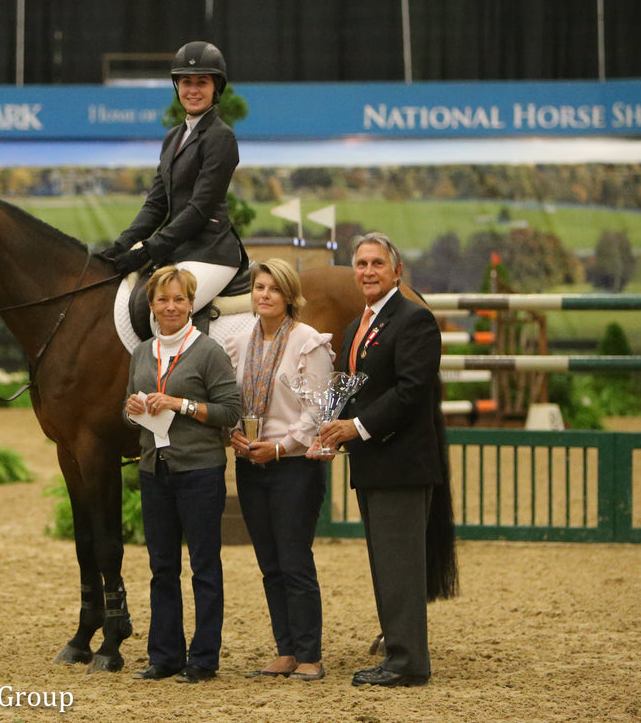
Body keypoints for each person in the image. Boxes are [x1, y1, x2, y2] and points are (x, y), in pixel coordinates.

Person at [309, 232, 444, 687]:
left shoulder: (415, 320)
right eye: (362, 264)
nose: (368, 272)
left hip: (402, 463)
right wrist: (328, 431)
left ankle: (408, 663)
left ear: (396, 271)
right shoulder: (357, 327)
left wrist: (357, 428)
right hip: (372, 463)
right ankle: (397, 653)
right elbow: (350, 391)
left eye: (377, 264)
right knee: (386, 563)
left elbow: (410, 391)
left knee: (401, 564)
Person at [124, 265, 243, 683]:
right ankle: (165, 655)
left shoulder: (208, 351)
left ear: (191, 304)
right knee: (162, 567)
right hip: (155, 469)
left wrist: (180, 404)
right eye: (162, 300)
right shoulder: (142, 353)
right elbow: (129, 406)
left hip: (200, 470)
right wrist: (133, 411)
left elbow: (231, 411)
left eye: (179, 299)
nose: (170, 307)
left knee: (204, 566)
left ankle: (204, 658)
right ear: (152, 306)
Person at [226, 258, 335, 682]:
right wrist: (233, 433)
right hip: (250, 462)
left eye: (273, 288)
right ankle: (285, 650)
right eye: (258, 288)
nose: (264, 295)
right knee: (269, 563)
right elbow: (230, 399)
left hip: (293, 466)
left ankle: (310, 654)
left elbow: (317, 410)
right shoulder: (239, 341)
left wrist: (281, 445)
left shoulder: (309, 342)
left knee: (294, 560)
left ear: (289, 296)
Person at [101, 41, 246, 315]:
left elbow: (200, 208)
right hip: (179, 249)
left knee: (168, 309)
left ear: (216, 87)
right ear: (177, 86)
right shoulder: (173, 137)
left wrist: (147, 250)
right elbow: (156, 204)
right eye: (186, 82)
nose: (193, 90)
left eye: (201, 82)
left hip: (211, 252)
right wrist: (119, 247)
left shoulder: (220, 137)